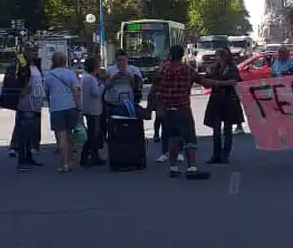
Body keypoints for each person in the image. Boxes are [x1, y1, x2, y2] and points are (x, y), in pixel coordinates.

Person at [151, 45, 233, 178]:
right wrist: (224, 83)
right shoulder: (187, 70)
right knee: (189, 139)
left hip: (169, 109)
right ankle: (191, 167)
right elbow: (205, 82)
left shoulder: (162, 70)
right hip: (183, 108)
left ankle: (173, 167)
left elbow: (154, 88)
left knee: (173, 138)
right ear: (182, 55)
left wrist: (154, 107)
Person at [1, 44, 45, 170]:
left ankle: (29, 157)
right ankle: (22, 160)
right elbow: (13, 81)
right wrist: (20, 90)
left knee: (32, 133)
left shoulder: (35, 65)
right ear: (26, 51)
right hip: (25, 104)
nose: (35, 53)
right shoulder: (20, 64)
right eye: (32, 50)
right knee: (24, 133)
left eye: (36, 50)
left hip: (36, 104)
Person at [43, 51, 82, 173]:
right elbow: (76, 91)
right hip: (70, 106)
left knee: (61, 136)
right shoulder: (71, 74)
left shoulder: (49, 75)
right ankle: (69, 162)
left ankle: (64, 163)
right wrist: (78, 106)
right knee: (69, 136)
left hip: (56, 108)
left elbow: (46, 92)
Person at [203, 48, 244, 164]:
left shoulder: (231, 68)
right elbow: (206, 81)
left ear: (224, 57)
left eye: (219, 56)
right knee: (216, 131)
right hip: (216, 100)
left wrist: (217, 82)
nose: (217, 58)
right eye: (216, 56)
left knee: (227, 130)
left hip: (228, 100)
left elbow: (235, 81)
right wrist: (220, 82)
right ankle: (216, 155)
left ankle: (225, 155)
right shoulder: (214, 68)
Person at [80, 56, 107, 167]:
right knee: (93, 135)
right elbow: (96, 93)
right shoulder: (91, 79)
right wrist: (102, 84)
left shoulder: (85, 78)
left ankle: (95, 157)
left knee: (94, 134)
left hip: (87, 108)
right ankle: (85, 157)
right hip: (93, 109)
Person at [103, 49, 143, 117]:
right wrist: (114, 77)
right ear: (116, 60)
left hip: (128, 104)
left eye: (123, 60)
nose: (121, 62)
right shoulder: (110, 70)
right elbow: (105, 86)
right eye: (119, 60)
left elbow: (138, 87)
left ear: (127, 59)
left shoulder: (133, 70)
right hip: (113, 104)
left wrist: (130, 77)